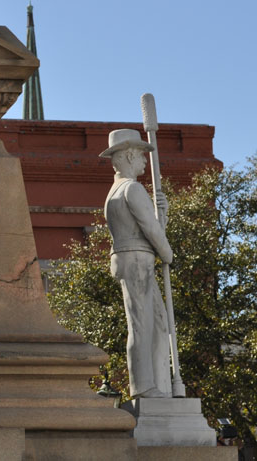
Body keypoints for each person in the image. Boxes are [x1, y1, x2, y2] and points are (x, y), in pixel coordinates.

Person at [101, 128, 172, 398]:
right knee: (142, 324)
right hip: (137, 261)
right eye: (142, 156)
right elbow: (150, 231)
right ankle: (143, 386)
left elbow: (151, 227)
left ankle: (159, 384)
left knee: (157, 322)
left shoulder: (117, 190)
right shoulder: (131, 188)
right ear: (130, 156)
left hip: (136, 259)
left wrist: (161, 217)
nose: (145, 161)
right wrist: (167, 252)